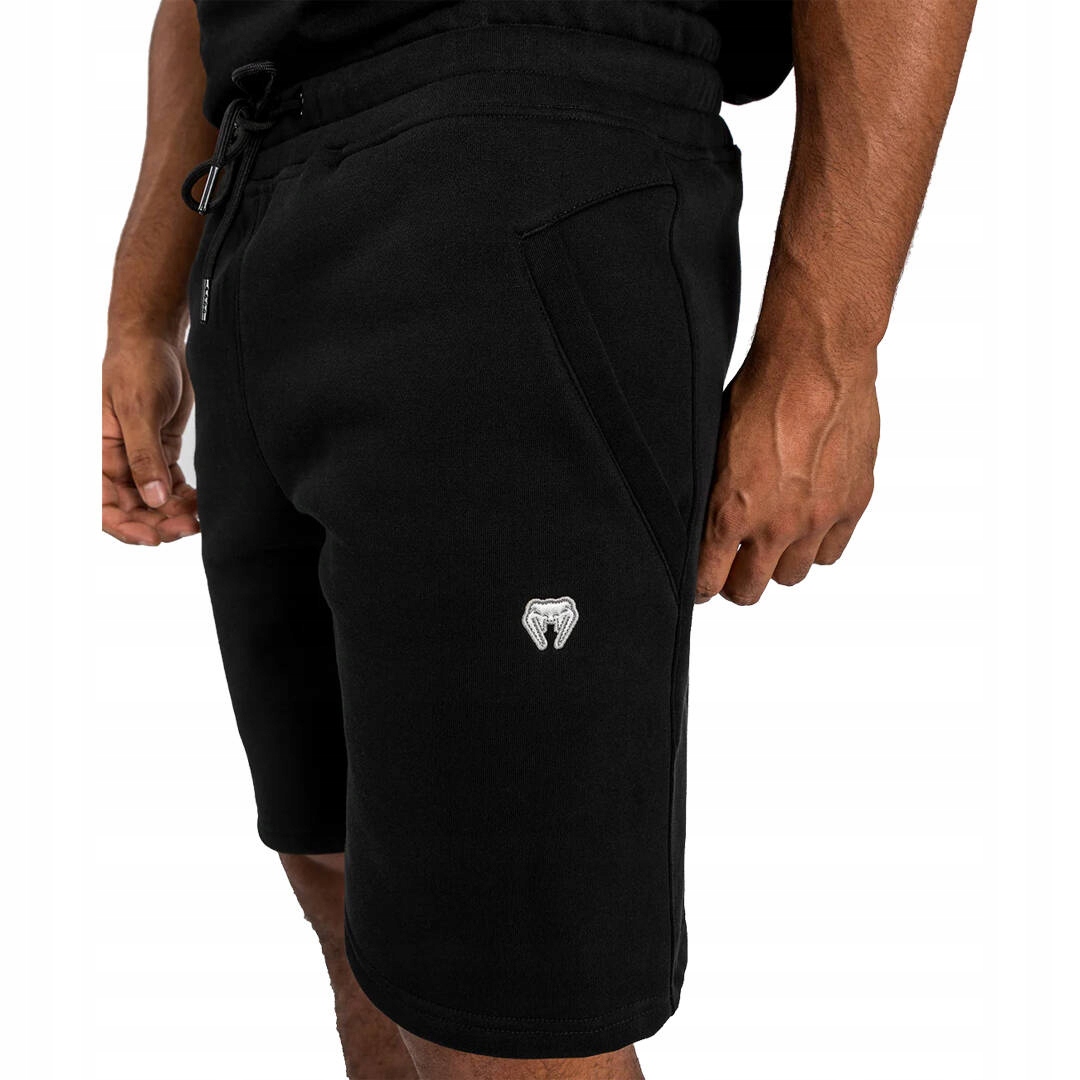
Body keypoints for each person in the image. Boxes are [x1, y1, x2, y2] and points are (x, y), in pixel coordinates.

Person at [100, 2, 974, 1077]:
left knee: (501, 1009)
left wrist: (826, 348)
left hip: (519, 143)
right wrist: (141, 309)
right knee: (337, 870)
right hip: (260, 184)